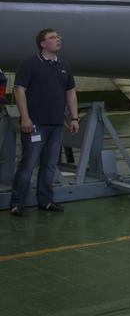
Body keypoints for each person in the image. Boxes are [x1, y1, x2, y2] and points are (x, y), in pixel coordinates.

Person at [10, 29, 79, 216]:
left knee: (49, 164)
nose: (58, 40)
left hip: (56, 124)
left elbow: (70, 92)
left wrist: (74, 117)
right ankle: (17, 203)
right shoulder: (29, 64)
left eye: (58, 37)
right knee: (28, 163)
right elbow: (19, 90)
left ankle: (46, 201)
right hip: (35, 125)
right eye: (52, 38)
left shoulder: (64, 65)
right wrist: (25, 117)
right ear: (42, 43)